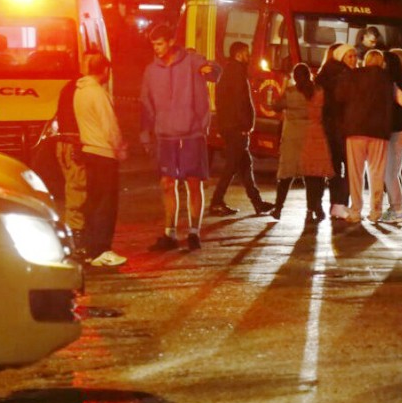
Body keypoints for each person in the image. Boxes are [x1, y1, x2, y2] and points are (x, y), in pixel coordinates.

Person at [140, 23, 221, 251]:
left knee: (193, 184)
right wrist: (145, 134)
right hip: (165, 136)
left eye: (159, 43)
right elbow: (146, 104)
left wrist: (211, 70)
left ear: (170, 41)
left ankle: (194, 232)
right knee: (167, 184)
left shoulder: (192, 61)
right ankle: (170, 233)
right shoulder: (151, 71)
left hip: (192, 134)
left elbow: (215, 72)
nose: (156, 48)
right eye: (153, 44)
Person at [208, 42, 273, 217]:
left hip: (230, 126)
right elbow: (240, 102)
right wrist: (244, 126)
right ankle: (216, 202)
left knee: (245, 166)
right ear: (238, 55)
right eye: (246, 53)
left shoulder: (228, 71)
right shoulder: (236, 73)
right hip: (236, 128)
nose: (249, 56)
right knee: (231, 167)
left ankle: (257, 203)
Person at [75, 54, 128, 266]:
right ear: (105, 70)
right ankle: (102, 249)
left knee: (93, 202)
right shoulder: (98, 94)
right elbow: (110, 125)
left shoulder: (79, 92)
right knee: (106, 205)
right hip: (104, 154)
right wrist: (120, 148)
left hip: (88, 150)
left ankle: (90, 249)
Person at [269, 63, 333, 222]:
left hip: (292, 137)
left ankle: (278, 208)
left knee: (286, 175)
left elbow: (275, 107)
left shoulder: (290, 92)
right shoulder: (319, 92)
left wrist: (282, 87)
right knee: (312, 176)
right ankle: (313, 209)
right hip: (312, 136)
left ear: (294, 77)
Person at [338, 49, 392, 223]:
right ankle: (376, 212)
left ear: (365, 61)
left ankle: (355, 210)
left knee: (355, 173)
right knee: (377, 172)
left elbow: (340, 96)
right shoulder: (387, 78)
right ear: (381, 62)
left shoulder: (353, 75)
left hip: (355, 129)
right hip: (379, 131)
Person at [316, 43, 357, 220]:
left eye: (356, 56)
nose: (355, 60)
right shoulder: (346, 75)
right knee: (350, 168)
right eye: (351, 56)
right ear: (341, 57)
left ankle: (334, 204)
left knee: (333, 168)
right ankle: (340, 204)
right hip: (344, 127)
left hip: (328, 126)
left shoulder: (323, 74)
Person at [54, 70, 87, 248]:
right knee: (77, 191)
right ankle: (77, 235)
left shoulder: (68, 88)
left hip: (65, 144)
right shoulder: (81, 90)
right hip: (74, 145)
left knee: (73, 188)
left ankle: (75, 232)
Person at [380, 48, 402, 224]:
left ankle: (397, 210)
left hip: (397, 133)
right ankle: (394, 208)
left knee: (389, 174)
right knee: (393, 172)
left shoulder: (395, 82)